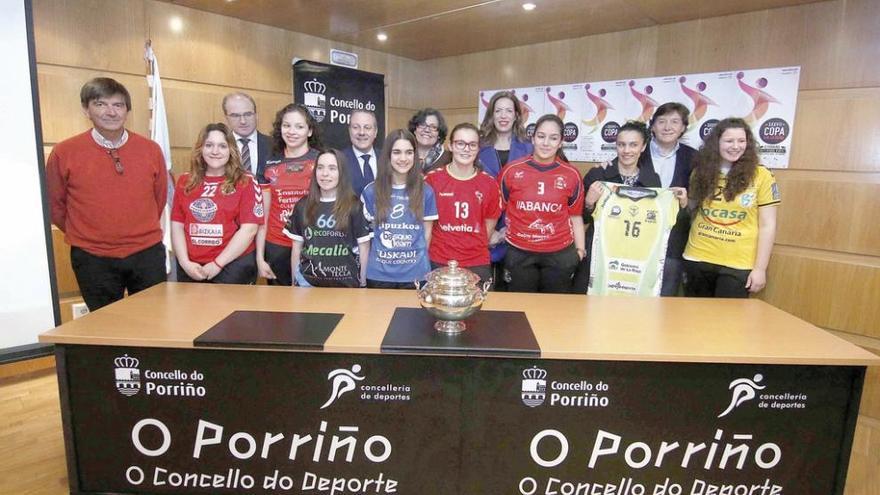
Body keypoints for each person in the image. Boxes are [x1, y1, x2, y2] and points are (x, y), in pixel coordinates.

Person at [46, 77, 167, 311]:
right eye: (101, 104)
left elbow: (159, 198)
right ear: (86, 109)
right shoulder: (64, 152)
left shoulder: (150, 150)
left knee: (152, 322)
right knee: (104, 328)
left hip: (146, 253)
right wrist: (88, 234)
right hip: (92, 257)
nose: (111, 112)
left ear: (127, 110)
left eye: (118, 105)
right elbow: (54, 205)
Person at [576, 121, 687, 295]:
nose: (627, 150)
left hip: (635, 253)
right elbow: (580, 218)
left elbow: (658, 222)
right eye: (621, 145)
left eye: (633, 145)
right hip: (601, 252)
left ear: (643, 147)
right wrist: (589, 203)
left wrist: (681, 203)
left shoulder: (652, 180)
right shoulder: (598, 174)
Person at [684, 118, 780, 298]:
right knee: (694, 322)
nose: (735, 146)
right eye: (729, 141)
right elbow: (692, 209)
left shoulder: (762, 176)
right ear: (716, 143)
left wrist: (760, 269)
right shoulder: (700, 172)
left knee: (730, 324)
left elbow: (768, 225)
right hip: (698, 257)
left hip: (738, 264)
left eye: (741, 141)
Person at [498, 114, 585, 293]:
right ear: (533, 138)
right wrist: (495, 234)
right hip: (519, 252)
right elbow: (495, 209)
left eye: (553, 138)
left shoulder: (571, 174)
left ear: (561, 142)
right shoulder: (512, 170)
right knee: (520, 309)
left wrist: (580, 250)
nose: (546, 143)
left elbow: (576, 216)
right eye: (541, 136)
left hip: (559, 254)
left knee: (554, 312)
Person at [170, 123, 263, 284]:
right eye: (209, 145)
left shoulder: (245, 181)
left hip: (232, 265)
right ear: (200, 149)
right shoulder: (185, 180)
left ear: (231, 150)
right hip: (191, 267)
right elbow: (177, 225)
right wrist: (185, 263)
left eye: (222, 146)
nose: (215, 151)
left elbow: (249, 229)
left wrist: (217, 264)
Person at [425, 123, 502, 285]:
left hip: (476, 262)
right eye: (460, 143)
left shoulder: (489, 184)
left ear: (478, 149)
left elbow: (488, 226)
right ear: (450, 146)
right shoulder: (432, 181)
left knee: (480, 310)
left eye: (472, 145)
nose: (466, 149)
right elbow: (426, 228)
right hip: (439, 260)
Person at [361, 129, 438, 288]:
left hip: (416, 275)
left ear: (415, 156)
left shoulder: (426, 191)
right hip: (378, 275)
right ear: (387, 155)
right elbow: (365, 239)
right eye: (397, 152)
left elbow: (427, 235)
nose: (403, 158)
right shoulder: (371, 191)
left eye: (409, 152)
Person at [284, 149, 371, 287]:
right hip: (308, 283)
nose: (325, 174)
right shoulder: (302, 206)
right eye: (320, 168)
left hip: (346, 284)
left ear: (341, 173)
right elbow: (297, 247)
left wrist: (363, 282)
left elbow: (364, 247)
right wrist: (295, 282)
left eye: (332, 168)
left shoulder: (355, 206)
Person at [257, 103, 322, 286]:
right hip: (276, 245)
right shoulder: (269, 163)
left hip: (312, 244)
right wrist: (260, 257)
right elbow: (263, 214)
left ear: (309, 131)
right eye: (287, 125)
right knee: (280, 308)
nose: (292, 131)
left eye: (299, 126)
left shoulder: (321, 161)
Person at [477, 91, 534, 289]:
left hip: (520, 231)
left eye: (508, 111)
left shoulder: (529, 149)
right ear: (491, 115)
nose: (503, 116)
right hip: (483, 228)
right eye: (498, 110)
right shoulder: (477, 147)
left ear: (517, 115)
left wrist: (508, 230)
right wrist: (490, 232)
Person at [642, 102, 697, 296]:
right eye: (662, 121)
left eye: (675, 122)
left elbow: (700, 202)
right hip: (638, 237)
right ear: (653, 125)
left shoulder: (694, 157)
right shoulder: (636, 152)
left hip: (673, 239)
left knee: (666, 296)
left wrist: (687, 201)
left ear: (683, 127)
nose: (667, 127)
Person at [222, 92, 272, 182]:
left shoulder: (275, 145)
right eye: (235, 115)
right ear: (226, 119)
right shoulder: (219, 147)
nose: (243, 121)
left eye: (248, 114)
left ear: (256, 115)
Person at [344, 109, 379, 196]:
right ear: (349, 130)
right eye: (356, 127)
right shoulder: (339, 160)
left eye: (367, 127)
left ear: (375, 132)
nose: (361, 132)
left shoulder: (387, 159)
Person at [408, 108, 452, 173]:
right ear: (415, 130)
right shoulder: (405, 155)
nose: (427, 130)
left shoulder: (450, 159)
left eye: (433, 127)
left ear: (439, 134)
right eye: (422, 125)